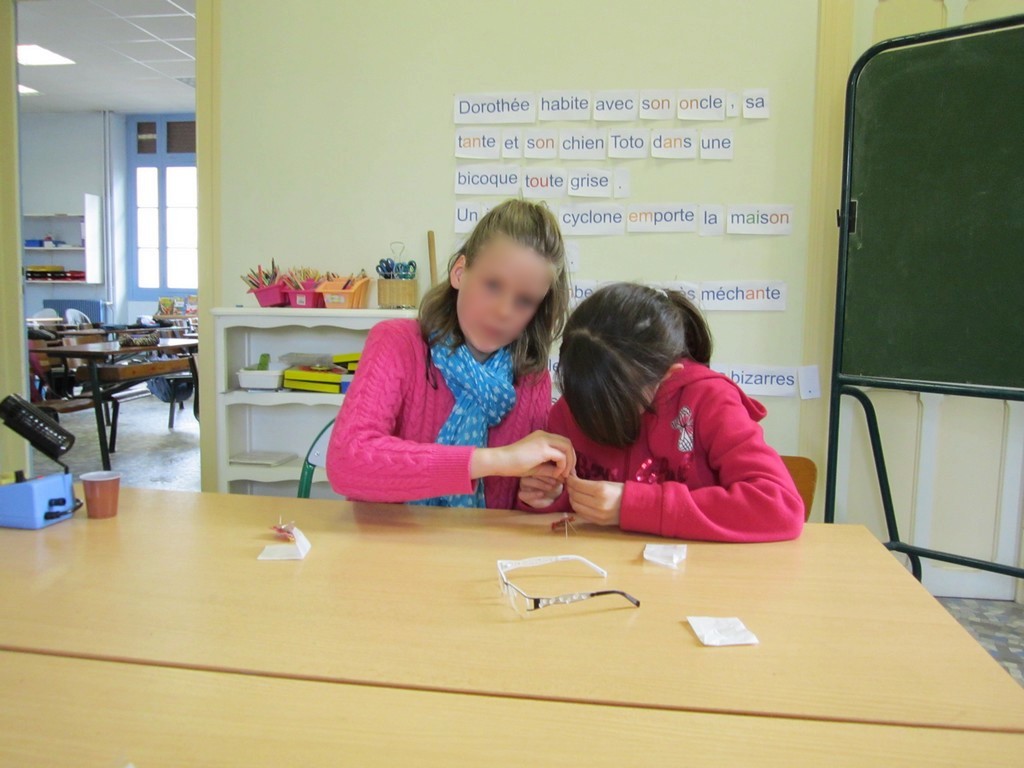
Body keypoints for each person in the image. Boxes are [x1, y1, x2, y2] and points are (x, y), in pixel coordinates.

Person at [327, 199, 574, 508]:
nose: (503, 311)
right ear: (459, 272)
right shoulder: (396, 343)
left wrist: (535, 496)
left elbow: (516, 509)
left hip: (481, 540)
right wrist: (495, 460)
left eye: (524, 301)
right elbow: (346, 464)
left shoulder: (532, 378)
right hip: (390, 538)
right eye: (493, 285)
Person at [518, 282, 804, 542]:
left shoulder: (709, 400)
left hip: (699, 574)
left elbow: (779, 507)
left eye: (614, 400)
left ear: (667, 375)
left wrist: (632, 506)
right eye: (581, 397)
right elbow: (563, 517)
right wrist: (551, 496)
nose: (591, 409)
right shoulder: (574, 403)